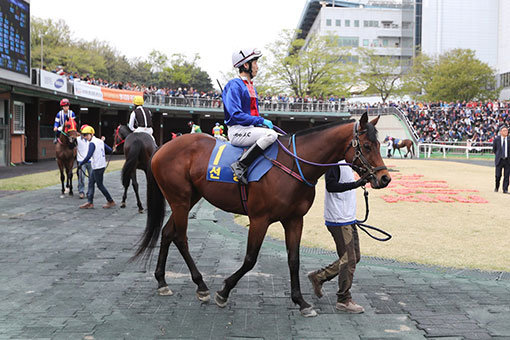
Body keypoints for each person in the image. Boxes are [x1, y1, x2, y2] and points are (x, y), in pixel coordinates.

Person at [307, 161, 368, 313]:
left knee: (355, 257)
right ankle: (343, 299)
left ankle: (319, 277)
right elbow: (331, 185)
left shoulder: (347, 162)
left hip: (348, 217)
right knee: (349, 259)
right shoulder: (334, 163)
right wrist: (355, 184)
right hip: (338, 219)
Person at [222, 47, 277, 184]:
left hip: (249, 129)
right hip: (237, 131)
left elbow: (253, 114)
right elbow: (235, 114)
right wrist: (260, 120)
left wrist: (260, 122)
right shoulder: (234, 85)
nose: (257, 67)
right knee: (271, 135)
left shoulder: (251, 86)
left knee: (279, 138)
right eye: (255, 63)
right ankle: (241, 165)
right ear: (246, 65)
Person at [78, 125, 116, 209]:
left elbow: (88, 156)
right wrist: (113, 149)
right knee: (91, 183)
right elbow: (110, 150)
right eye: (84, 135)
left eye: (86, 135)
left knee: (100, 185)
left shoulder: (92, 143)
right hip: (100, 166)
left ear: (91, 134)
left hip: (97, 167)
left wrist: (81, 163)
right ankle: (90, 202)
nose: (85, 137)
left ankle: (110, 201)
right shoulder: (100, 141)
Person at [76, 124, 92, 199]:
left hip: (90, 161)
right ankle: (81, 191)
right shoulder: (78, 139)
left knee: (91, 177)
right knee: (81, 177)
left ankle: (89, 192)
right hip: (81, 161)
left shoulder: (91, 140)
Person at [493, 125, 510, 193]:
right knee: (498, 175)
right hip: (499, 160)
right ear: (501, 132)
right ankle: (496, 187)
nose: (506, 132)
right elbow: (494, 149)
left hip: (507, 160)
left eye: (507, 130)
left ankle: (505, 189)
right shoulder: (497, 139)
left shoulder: (509, 139)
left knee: (506, 176)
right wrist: (498, 155)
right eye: (504, 130)